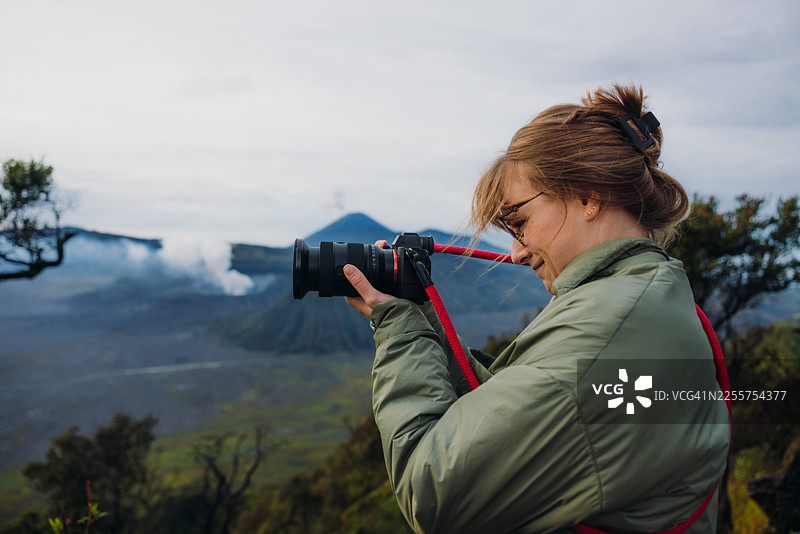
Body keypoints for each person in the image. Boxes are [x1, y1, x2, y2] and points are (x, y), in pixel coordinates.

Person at [343, 84, 730, 533]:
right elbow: (510, 416)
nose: (516, 252)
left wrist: (400, 333)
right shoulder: (636, 298)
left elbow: (432, 493)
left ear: (588, 196)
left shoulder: (605, 331)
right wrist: (416, 314)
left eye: (520, 222)